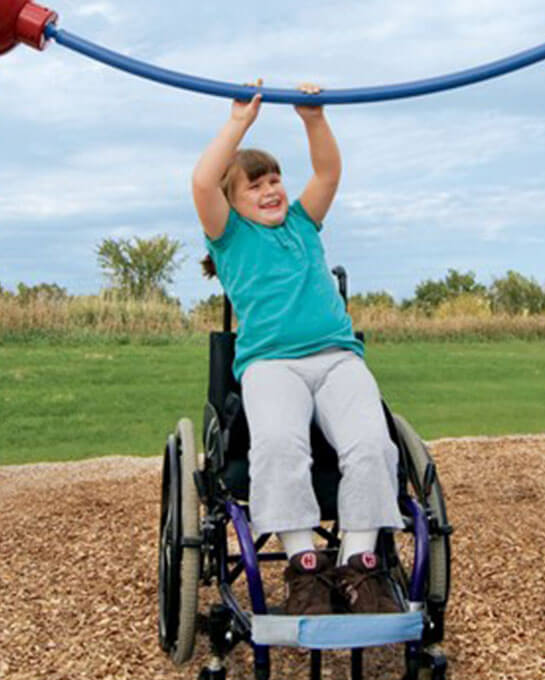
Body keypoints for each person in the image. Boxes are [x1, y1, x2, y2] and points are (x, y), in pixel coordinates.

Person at [192, 81, 405, 616]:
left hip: (336, 358)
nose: (270, 190)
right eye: (254, 185)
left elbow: (329, 172)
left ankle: (359, 565)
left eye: (274, 180)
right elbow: (201, 182)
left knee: (374, 447)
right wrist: (240, 122)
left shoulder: (304, 223)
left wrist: (313, 118)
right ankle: (305, 566)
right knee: (280, 446)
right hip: (271, 365)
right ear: (233, 202)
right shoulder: (231, 237)